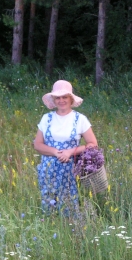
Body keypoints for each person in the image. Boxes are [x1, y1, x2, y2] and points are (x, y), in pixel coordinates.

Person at [34, 80, 98, 214]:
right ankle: (50, 229)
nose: (61, 100)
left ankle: (69, 231)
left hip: (69, 169)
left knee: (69, 203)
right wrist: (55, 152)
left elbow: (93, 144)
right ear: (53, 99)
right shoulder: (47, 118)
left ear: (71, 98)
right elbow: (38, 144)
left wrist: (70, 151)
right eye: (58, 97)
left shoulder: (80, 119)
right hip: (48, 169)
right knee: (48, 204)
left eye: (65, 97)